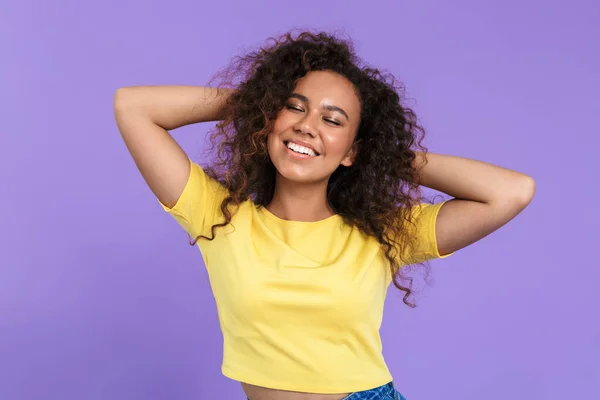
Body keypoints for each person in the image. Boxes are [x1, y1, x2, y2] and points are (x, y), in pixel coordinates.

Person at [113, 31, 535, 400]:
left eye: (332, 120)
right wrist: (260, 103)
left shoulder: (383, 234)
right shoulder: (220, 218)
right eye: (295, 108)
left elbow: (511, 192)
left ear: (352, 150)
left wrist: (383, 155)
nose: (308, 126)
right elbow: (132, 106)